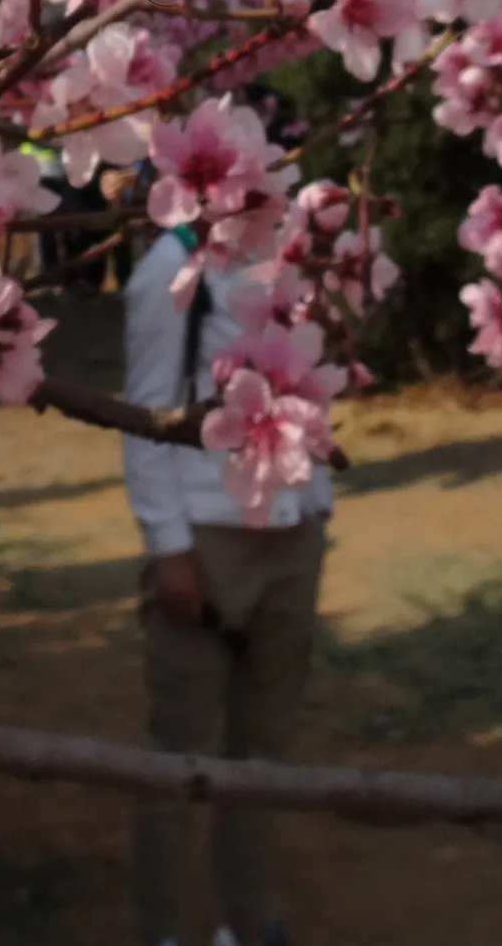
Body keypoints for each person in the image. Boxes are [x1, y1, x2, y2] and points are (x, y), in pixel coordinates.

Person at [122, 224, 330, 946]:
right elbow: (145, 415)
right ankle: (163, 931)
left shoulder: (291, 257)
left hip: (292, 531)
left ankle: (241, 923)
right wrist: (168, 549)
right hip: (207, 538)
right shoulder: (170, 268)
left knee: (262, 753)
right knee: (176, 758)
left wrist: (317, 505)